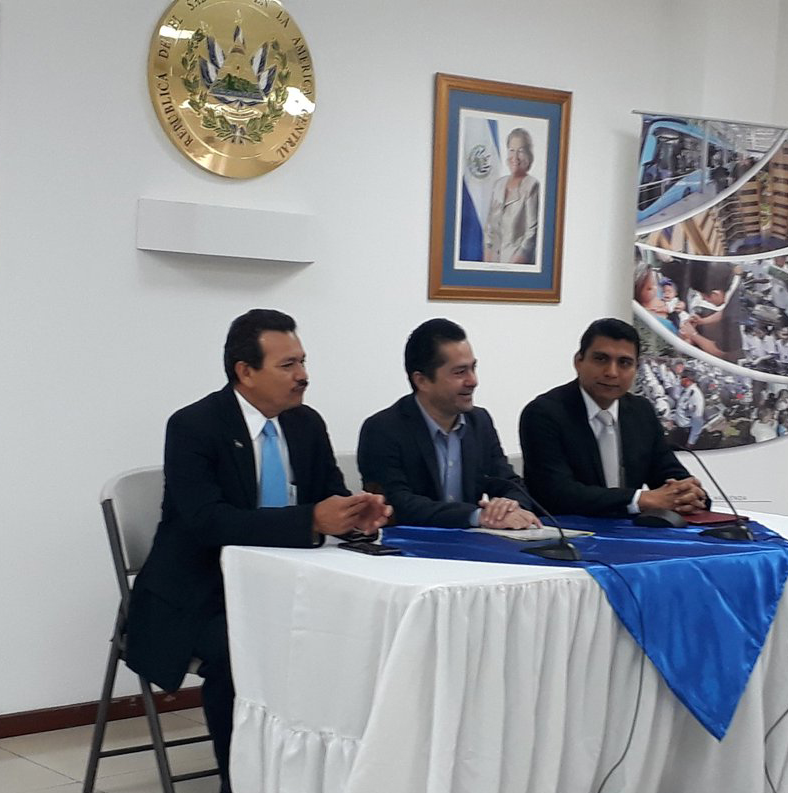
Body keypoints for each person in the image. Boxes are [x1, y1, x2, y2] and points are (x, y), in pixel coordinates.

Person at [125, 309, 391, 793]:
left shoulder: (306, 423)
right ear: (245, 371)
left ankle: (320, 772)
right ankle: (242, 780)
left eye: (303, 361)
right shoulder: (194, 426)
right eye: (288, 365)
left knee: (354, 634)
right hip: (200, 593)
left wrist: (356, 515)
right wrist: (311, 520)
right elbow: (208, 522)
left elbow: (328, 495)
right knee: (242, 651)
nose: (303, 375)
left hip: (287, 586)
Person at [357, 318, 540, 529]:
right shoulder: (383, 429)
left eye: (473, 368)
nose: (473, 381)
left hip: (473, 543)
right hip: (411, 545)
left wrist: (510, 506)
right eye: (460, 372)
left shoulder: (479, 422)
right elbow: (396, 504)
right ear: (422, 381)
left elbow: (510, 483)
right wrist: (476, 516)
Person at [519, 318, 709, 517]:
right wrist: (639, 500)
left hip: (632, 531)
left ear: (636, 369)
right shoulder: (544, 414)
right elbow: (556, 494)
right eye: (601, 359)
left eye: (624, 363)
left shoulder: (641, 411)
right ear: (578, 362)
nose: (611, 372)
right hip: (570, 531)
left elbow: (667, 471)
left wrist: (690, 495)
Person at [483, 127, 540, 264]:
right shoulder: (498, 184)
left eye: (521, 151)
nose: (515, 157)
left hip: (516, 264)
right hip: (493, 262)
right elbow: (490, 229)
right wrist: (488, 264)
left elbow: (532, 234)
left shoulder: (532, 186)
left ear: (529, 154)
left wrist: (510, 268)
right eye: (512, 150)